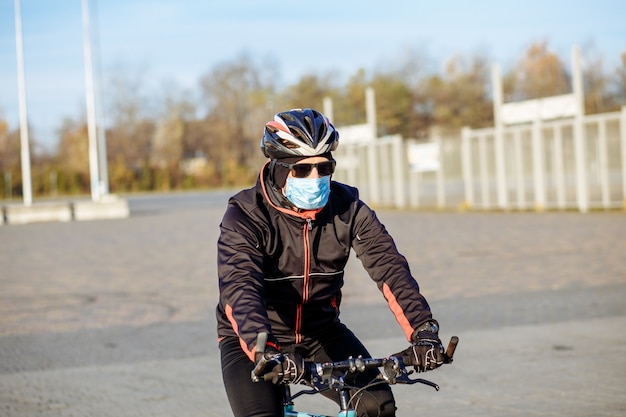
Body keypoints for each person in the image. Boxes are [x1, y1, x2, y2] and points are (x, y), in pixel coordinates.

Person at [216, 108, 445, 417]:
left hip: (320, 332)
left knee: (378, 406)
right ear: (280, 169)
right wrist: (265, 352)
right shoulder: (245, 215)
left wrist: (423, 330)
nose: (316, 178)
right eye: (303, 170)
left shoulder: (348, 209)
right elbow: (240, 288)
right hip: (253, 341)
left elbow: (389, 267)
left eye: (324, 167)